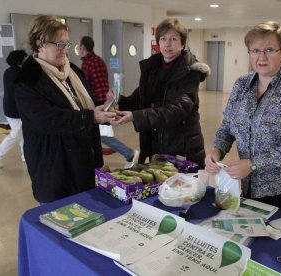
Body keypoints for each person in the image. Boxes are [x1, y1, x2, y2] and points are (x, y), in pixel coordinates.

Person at [205, 21, 281, 214]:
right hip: (253, 182)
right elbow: (227, 125)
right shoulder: (242, 84)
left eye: (269, 50)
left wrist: (253, 164)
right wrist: (216, 151)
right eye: (255, 50)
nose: (262, 57)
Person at [15, 15, 116, 204]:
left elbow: (80, 103)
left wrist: (99, 105)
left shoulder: (72, 71)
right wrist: (90, 117)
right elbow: (47, 119)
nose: (64, 50)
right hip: (53, 166)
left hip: (82, 162)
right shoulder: (28, 79)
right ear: (39, 43)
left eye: (67, 44)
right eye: (58, 44)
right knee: (60, 223)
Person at [113, 18, 210, 169]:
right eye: (163, 39)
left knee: (179, 190)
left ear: (182, 43)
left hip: (182, 146)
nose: (167, 44)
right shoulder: (153, 69)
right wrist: (118, 100)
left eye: (173, 39)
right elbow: (139, 99)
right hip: (156, 143)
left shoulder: (191, 72)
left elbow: (177, 110)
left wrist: (136, 116)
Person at [79, 36, 139, 168]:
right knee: (97, 135)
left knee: (103, 135)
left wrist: (103, 106)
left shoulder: (91, 63)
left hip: (98, 105)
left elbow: (97, 87)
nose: (78, 49)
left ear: (84, 48)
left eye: (79, 46)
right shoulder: (96, 60)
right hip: (98, 104)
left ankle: (129, 153)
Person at [0, 50, 27, 168]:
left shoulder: (8, 71)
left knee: (21, 133)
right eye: (24, 58)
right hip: (15, 110)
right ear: (19, 60)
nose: (26, 60)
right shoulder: (20, 73)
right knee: (16, 134)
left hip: (9, 107)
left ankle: (25, 156)